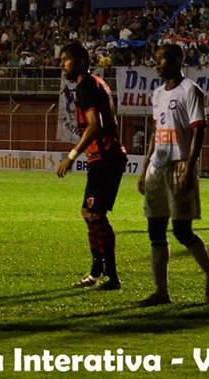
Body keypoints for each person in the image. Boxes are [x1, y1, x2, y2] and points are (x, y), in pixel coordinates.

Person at [138, 44, 209, 305]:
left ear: (176, 61)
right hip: (157, 166)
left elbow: (199, 131)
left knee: (182, 231)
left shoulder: (191, 91)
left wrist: (190, 166)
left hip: (179, 165)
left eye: (161, 59)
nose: (156, 64)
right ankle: (162, 292)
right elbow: (156, 131)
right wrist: (144, 168)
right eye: (156, 59)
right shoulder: (157, 94)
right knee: (155, 229)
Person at [56, 42, 126, 291]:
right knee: (89, 214)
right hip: (104, 157)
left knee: (96, 215)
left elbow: (94, 125)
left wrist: (72, 155)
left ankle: (111, 277)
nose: (63, 64)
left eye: (67, 59)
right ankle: (98, 271)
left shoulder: (86, 85)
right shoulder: (95, 83)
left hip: (106, 157)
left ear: (81, 62)